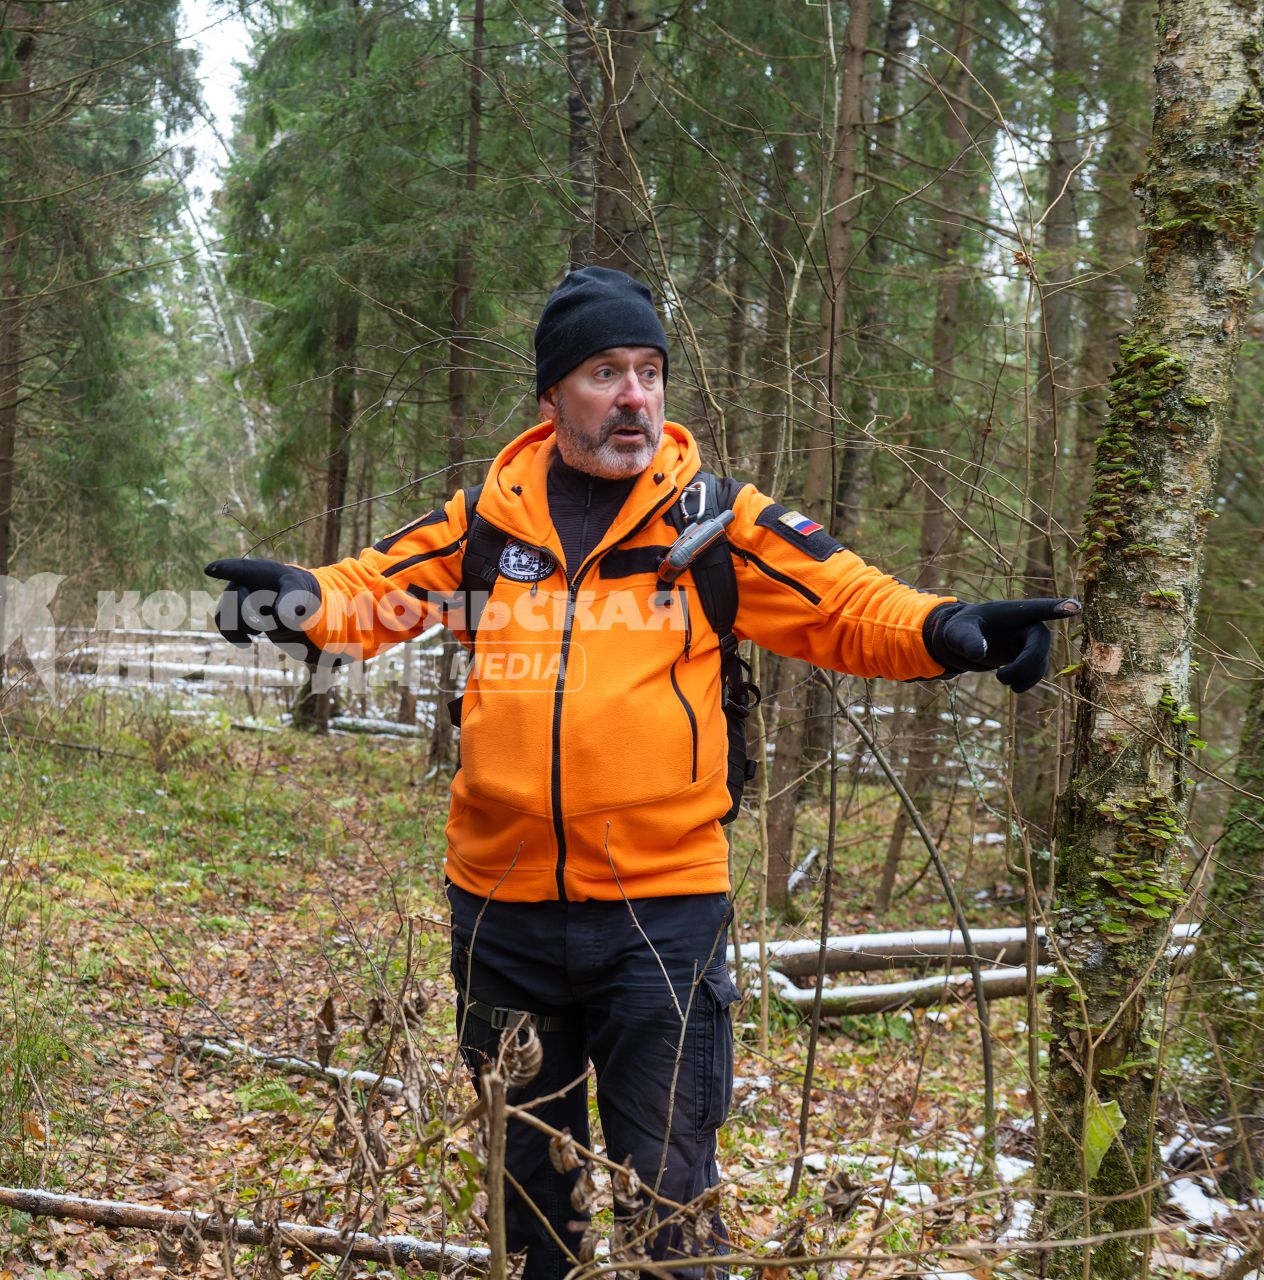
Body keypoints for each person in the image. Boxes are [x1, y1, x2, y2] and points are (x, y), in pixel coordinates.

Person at [204, 265, 1077, 1278]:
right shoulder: (490, 519)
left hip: (659, 918)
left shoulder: (713, 521)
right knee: (524, 1202)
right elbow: (372, 590)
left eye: (650, 371)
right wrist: (298, 599)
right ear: (552, 398)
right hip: (501, 915)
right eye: (606, 372)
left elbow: (847, 604)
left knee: (670, 1204)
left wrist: (950, 629)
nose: (635, 396)